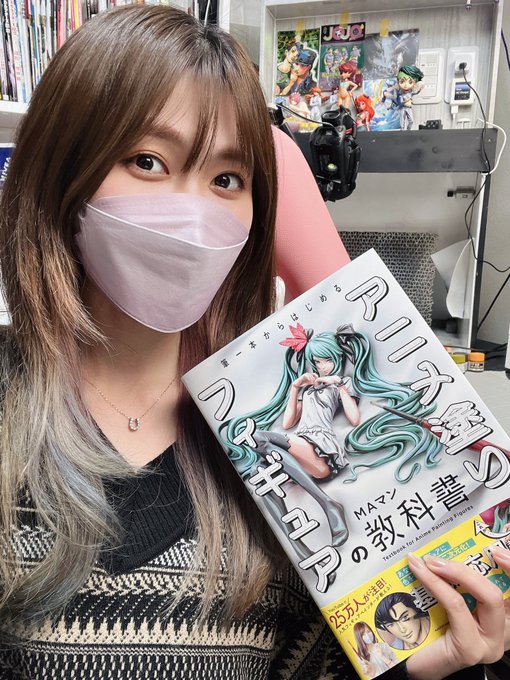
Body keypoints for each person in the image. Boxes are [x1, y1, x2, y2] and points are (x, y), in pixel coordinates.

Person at [0, 5, 508, 680]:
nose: (194, 212)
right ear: (63, 176)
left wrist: (421, 668)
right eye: (147, 161)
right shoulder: (13, 412)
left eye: (227, 180)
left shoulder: (249, 419)